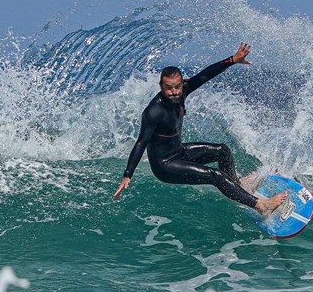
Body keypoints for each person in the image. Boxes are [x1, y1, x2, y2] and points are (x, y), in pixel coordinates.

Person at [113, 42, 287, 216]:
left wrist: (232, 60)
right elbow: (141, 143)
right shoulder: (153, 112)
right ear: (161, 87)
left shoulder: (183, 92)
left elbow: (205, 75)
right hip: (165, 166)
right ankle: (261, 206)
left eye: (177, 86)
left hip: (179, 153)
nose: (174, 91)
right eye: (169, 88)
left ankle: (237, 188)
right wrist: (128, 174)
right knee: (215, 176)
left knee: (222, 151)